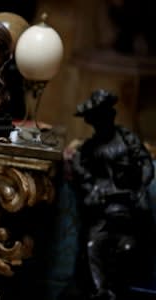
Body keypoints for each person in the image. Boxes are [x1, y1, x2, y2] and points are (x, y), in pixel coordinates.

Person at [71, 89, 154, 300]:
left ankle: (117, 291)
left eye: (104, 116)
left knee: (126, 249)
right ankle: (101, 292)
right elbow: (81, 171)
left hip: (128, 212)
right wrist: (91, 189)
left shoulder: (127, 139)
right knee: (93, 246)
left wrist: (140, 187)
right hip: (102, 213)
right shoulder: (89, 149)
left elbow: (145, 163)